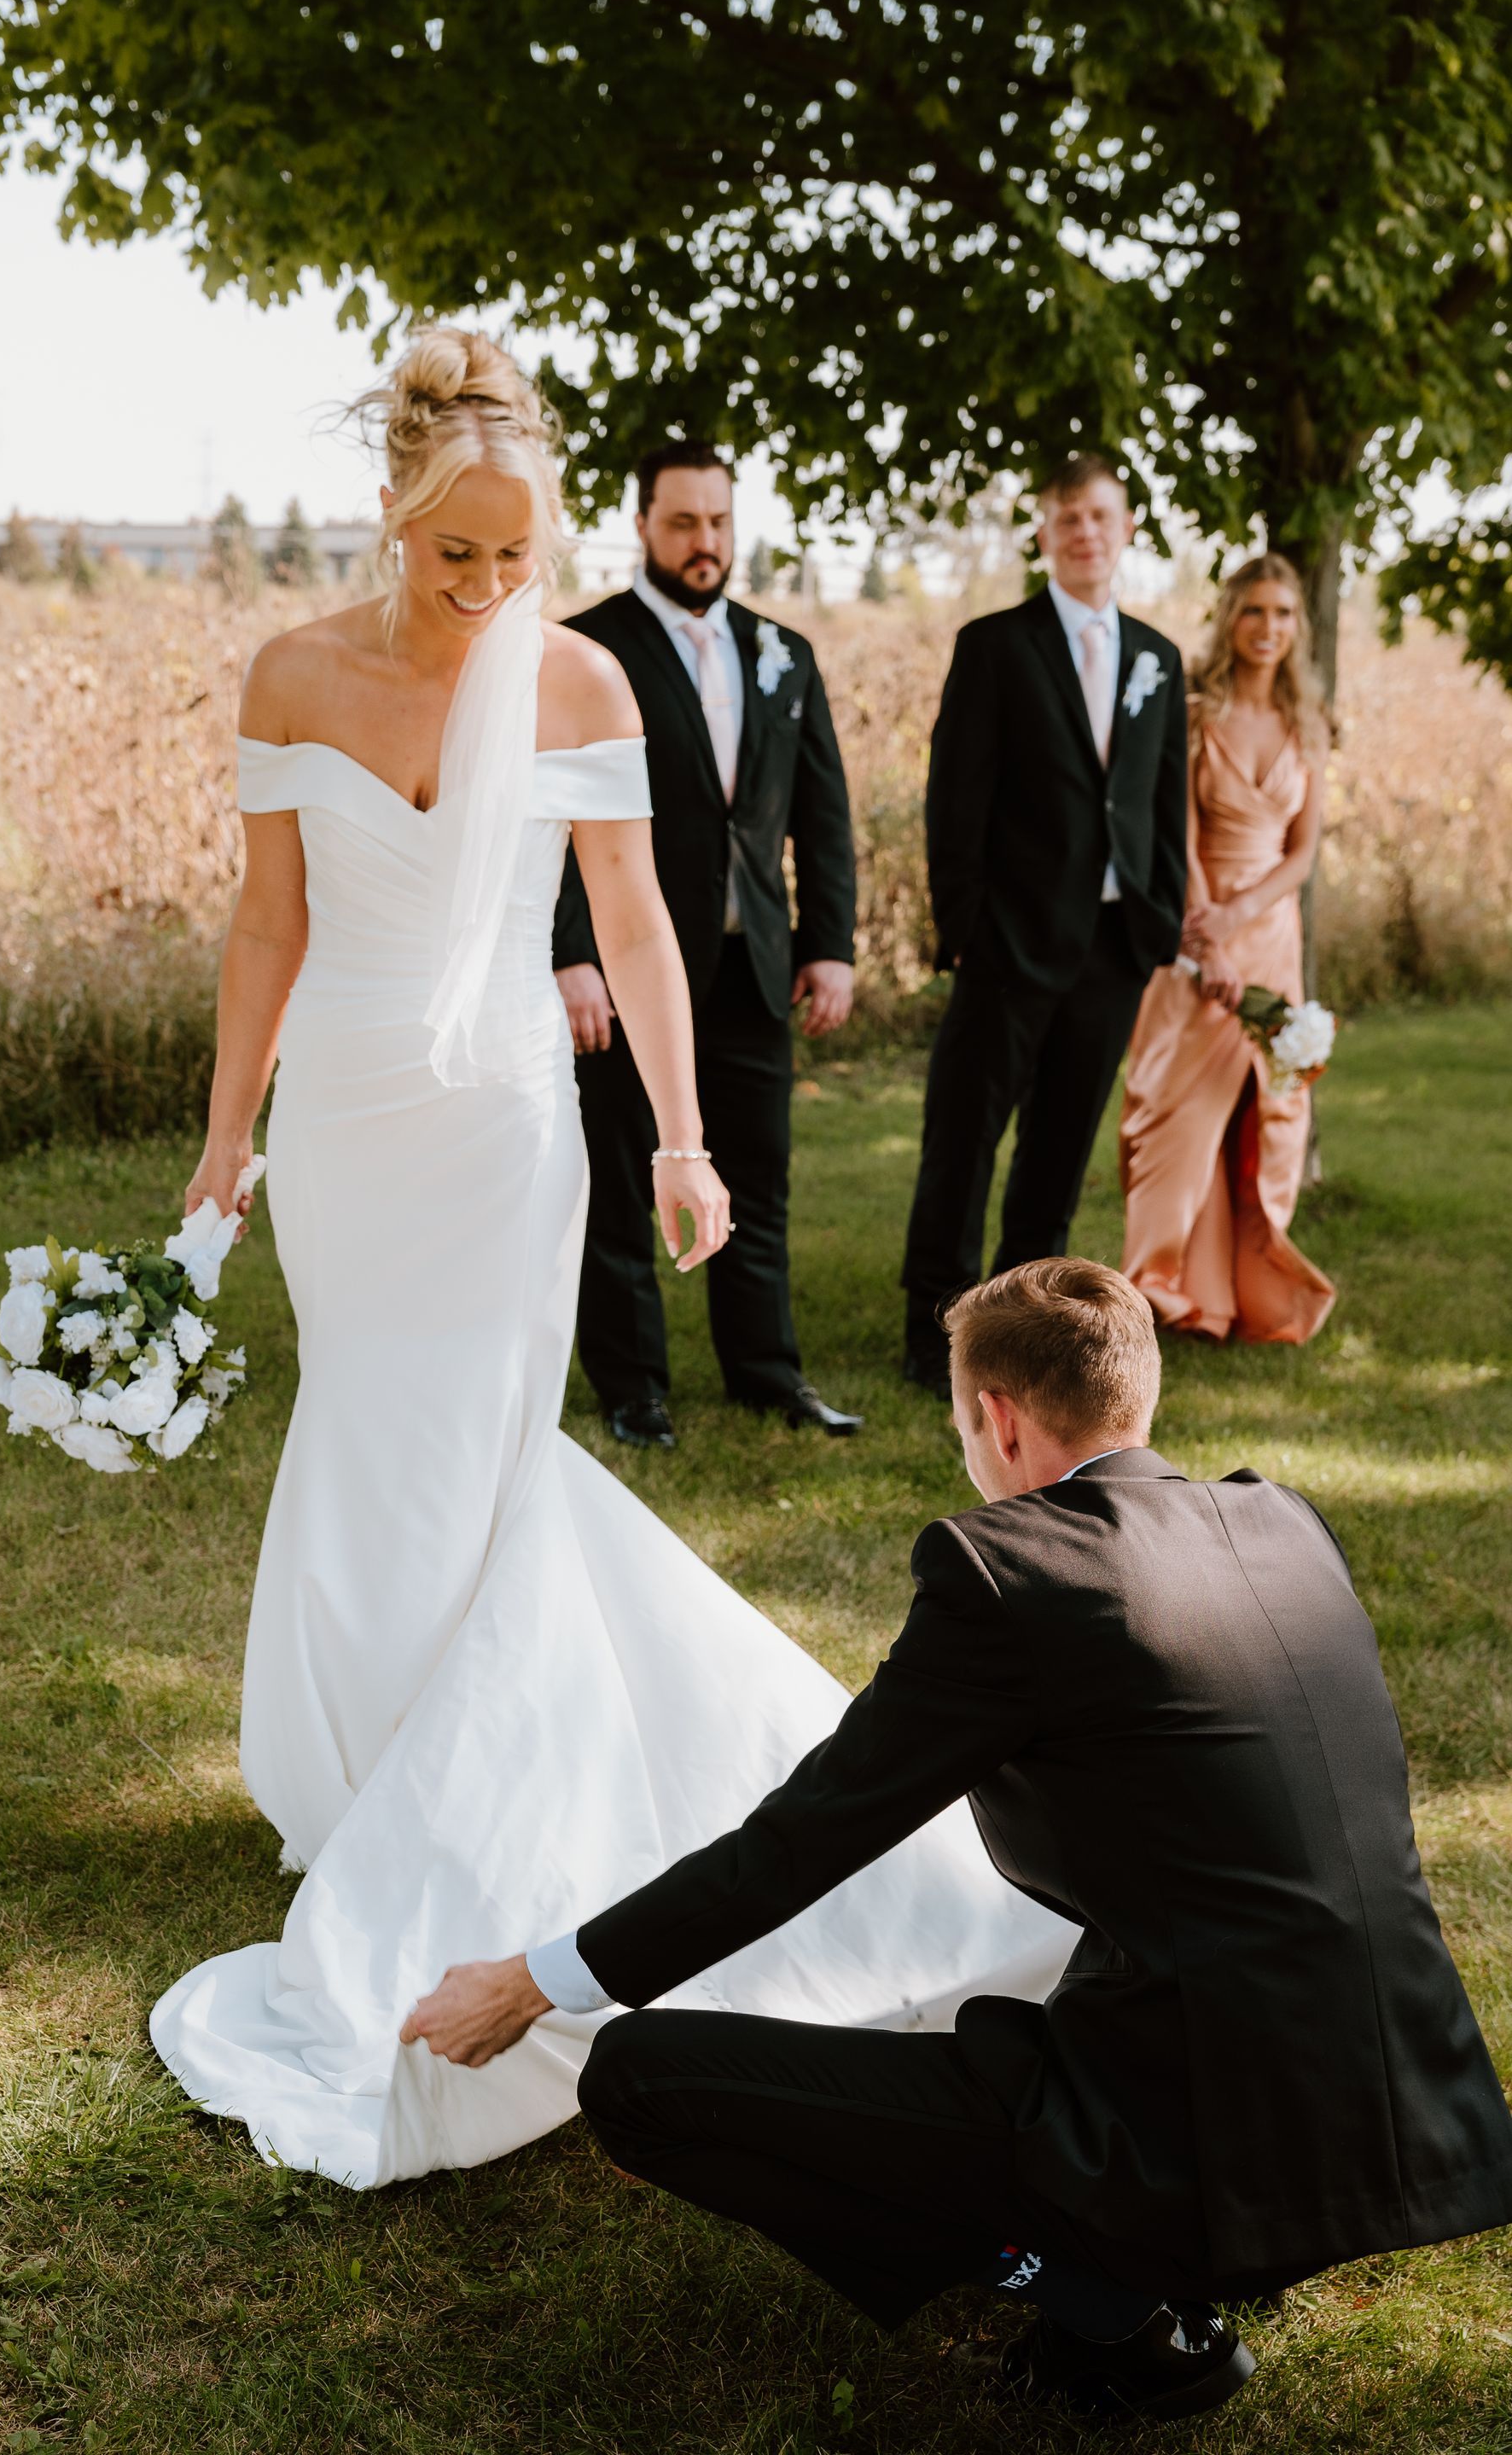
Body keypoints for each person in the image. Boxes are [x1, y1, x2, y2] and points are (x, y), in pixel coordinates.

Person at [148, 329, 1073, 2189]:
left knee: (486, 1448)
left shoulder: (579, 680)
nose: (489, 589)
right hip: (344, 1119)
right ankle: (368, 1778)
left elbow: (644, 926)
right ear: (391, 520)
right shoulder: (292, 676)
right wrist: (229, 1128)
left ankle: (468, 1792)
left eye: (514, 554)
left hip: (505, 1125)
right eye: (454, 556)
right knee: (365, 1427)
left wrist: (677, 1132)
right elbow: (269, 922)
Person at [402, 1256, 1512, 2426]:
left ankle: (1115, 2308)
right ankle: (1173, 2249)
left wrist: (535, 1982)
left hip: (1201, 2156)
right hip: (1405, 2123)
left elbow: (800, 1843)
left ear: (996, 1416)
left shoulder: (1009, 1571)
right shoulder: (1282, 1522)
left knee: (641, 2080)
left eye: (958, 1420)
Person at [552, 441, 862, 1448]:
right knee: (616, 1181)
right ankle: (635, 1388)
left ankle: (768, 1373)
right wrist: (570, 955)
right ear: (642, 524)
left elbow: (821, 814)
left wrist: (830, 946)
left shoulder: (783, 653)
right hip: (625, 970)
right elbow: (546, 821)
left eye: (720, 522)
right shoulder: (584, 653)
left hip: (752, 969)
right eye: (683, 522)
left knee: (757, 1177)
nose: (705, 542)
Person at [901, 455, 1189, 1396]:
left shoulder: (1157, 656)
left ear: (1128, 526)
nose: (1085, 532)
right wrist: (967, 929)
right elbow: (956, 799)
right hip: (1009, 941)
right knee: (964, 1139)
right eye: (1067, 518)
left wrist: (1160, 920)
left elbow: (1162, 804)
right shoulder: (996, 644)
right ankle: (930, 1338)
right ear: (1043, 531)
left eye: (1100, 515)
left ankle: (1023, 1348)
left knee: (1058, 1151)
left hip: (1114, 947)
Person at [1119, 554, 1336, 1342]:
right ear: (1230, 620)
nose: (1269, 629)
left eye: (1283, 614)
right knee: (1173, 1114)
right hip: (1193, 930)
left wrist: (1241, 916)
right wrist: (1207, 932)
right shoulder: (1196, 712)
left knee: (1268, 1117)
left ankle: (1247, 1298)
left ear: (1297, 628)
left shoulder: (1309, 722)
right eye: (1254, 612)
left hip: (1271, 934)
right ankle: (1162, 1294)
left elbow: (1303, 853)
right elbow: (1174, 834)